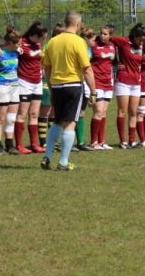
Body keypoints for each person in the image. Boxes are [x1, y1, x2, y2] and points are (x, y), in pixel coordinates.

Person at [40, 11, 96, 171]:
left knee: (57, 121)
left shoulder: (52, 42)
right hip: (73, 86)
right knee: (70, 123)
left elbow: (47, 68)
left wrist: (51, 87)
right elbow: (87, 69)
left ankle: (47, 156)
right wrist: (93, 91)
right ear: (78, 24)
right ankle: (63, 162)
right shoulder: (79, 42)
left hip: (56, 86)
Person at [111, 23, 145, 149]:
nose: (141, 43)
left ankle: (132, 141)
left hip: (136, 83)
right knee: (122, 112)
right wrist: (115, 62)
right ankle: (123, 141)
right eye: (140, 40)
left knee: (133, 112)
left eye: (144, 40)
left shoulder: (142, 46)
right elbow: (107, 40)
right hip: (123, 82)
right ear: (134, 36)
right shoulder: (124, 41)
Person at [15, 20, 48, 154]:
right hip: (24, 81)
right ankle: (19, 145)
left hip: (37, 82)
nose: (44, 39)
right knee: (22, 114)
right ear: (35, 34)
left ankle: (34, 144)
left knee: (34, 114)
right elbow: (6, 47)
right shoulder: (21, 42)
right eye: (42, 37)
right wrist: (11, 48)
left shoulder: (39, 44)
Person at [0, 25, 22, 155]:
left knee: (11, 118)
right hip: (1, 86)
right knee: (0, 118)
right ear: (11, 42)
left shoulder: (16, 51)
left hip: (14, 86)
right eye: (18, 43)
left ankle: (10, 145)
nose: (20, 45)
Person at [37, 23, 66, 148]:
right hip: (47, 83)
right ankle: (43, 141)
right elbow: (43, 66)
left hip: (60, 83)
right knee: (45, 112)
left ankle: (53, 140)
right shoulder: (48, 47)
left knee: (55, 114)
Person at [89, 24, 116, 150]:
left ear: (110, 35)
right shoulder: (93, 45)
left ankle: (102, 141)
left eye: (105, 34)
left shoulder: (112, 46)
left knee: (103, 113)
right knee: (98, 111)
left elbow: (115, 61)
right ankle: (93, 142)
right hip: (97, 82)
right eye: (101, 33)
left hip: (108, 82)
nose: (102, 35)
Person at [75, 27, 97, 151]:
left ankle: (81, 142)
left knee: (82, 111)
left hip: (85, 82)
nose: (94, 42)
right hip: (77, 81)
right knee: (74, 113)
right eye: (93, 40)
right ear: (86, 39)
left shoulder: (88, 49)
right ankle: (70, 142)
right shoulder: (80, 48)